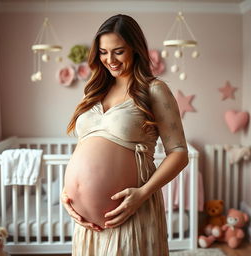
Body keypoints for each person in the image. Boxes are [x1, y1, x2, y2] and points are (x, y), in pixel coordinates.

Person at [61, 14, 189, 256]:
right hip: (87, 227)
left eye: (118, 51)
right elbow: (83, 149)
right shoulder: (94, 92)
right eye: (103, 52)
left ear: (136, 49)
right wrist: (68, 195)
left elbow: (179, 153)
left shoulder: (154, 90)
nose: (110, 60)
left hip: (131, 211)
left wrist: (142, 193)